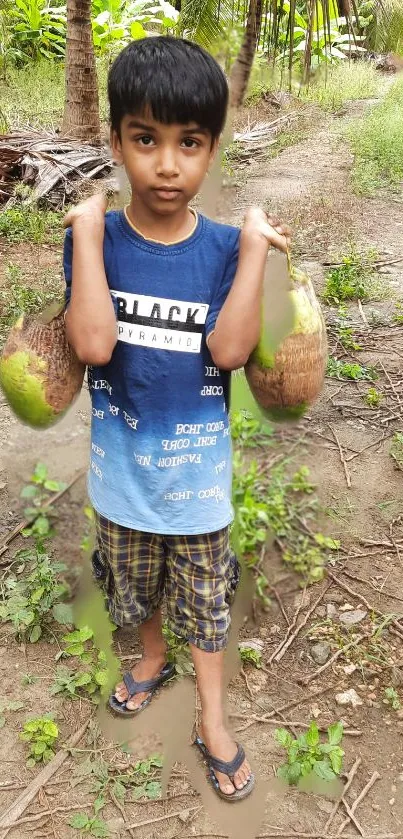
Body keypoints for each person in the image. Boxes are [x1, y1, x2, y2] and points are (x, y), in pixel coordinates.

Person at [63, 35, 289, 802]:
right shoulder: (96, 242)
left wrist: (254, 250)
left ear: (212, 148)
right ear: (117, 140)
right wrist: (88, 236)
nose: (167, 165)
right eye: (145, 139)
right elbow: (93, 342)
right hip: (121, 476)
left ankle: (213, 717)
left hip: (196, 483)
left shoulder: (225, 249)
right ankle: (150, 657)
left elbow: (228, 352)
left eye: (188, 143)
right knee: (136, 590)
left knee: (204, 601)